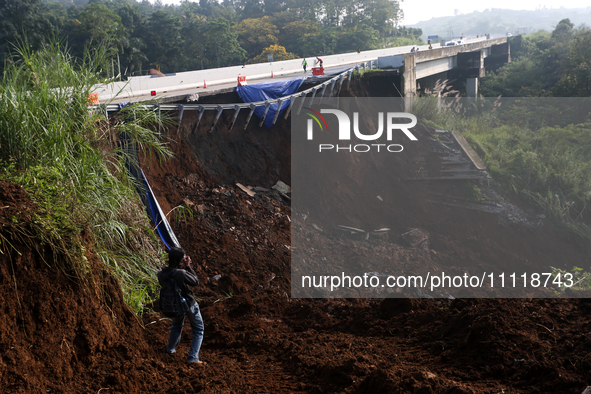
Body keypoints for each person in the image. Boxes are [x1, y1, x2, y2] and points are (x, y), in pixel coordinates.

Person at [158, 247, 205, 365]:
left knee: (176, 326)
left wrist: (180, 267)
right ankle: (193, 358)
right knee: (199, 329)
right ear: (180, 261)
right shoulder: (181, 273)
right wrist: (188, 267)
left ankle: (170, 350)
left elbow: (171, 281)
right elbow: (195, 281)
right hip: (188, 304)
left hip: (175, 305)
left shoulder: (161, 274)